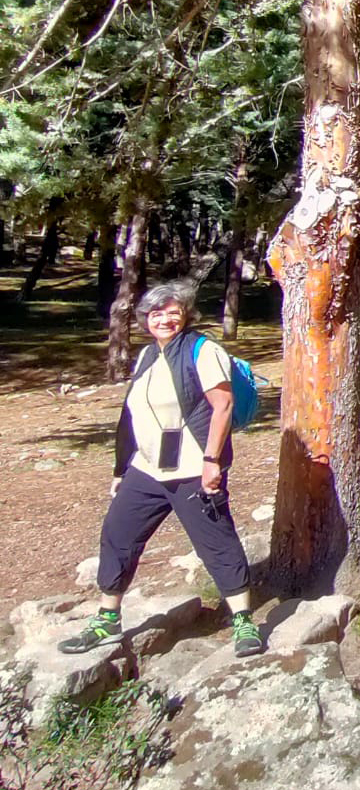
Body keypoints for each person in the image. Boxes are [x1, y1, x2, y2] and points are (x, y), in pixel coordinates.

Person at [60, 279, 264, 658]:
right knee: (118, 535)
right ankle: (107, 619)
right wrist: (122, 468)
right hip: (147, 468)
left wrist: (212, 462)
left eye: (174, 312)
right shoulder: (148, 356)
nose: (165, 319)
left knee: (216, 543)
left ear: (186, 316)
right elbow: (133, 413)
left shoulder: (202, 350)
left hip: (192, 466)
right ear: (144, 319)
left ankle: (243, 621)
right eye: (157, 313)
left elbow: (222, 406)